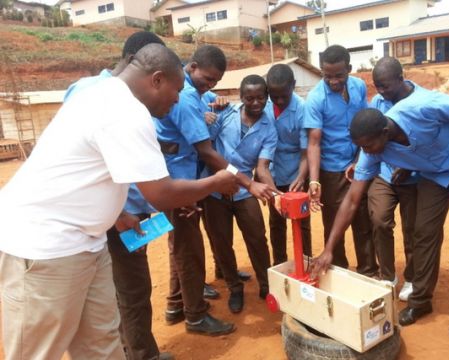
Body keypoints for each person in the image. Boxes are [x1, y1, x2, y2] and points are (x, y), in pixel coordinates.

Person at [0, 43, 238, 360]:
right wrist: (217, 182)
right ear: (156, 79)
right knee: (37, 351)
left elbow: (91, 172)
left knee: (101, 343)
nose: (178, 98)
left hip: (87, 243)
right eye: (176, 89)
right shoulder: (127, 112)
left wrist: (117, 214)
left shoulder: (99, 94)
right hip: (45, 249)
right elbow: (161, 192)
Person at [310, 88, 449, 328]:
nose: (366, 152)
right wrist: (329, 248)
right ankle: (421, 300)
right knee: (424, 233)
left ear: (385, 132)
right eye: (361, 147)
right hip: (435, 174)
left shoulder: (423, 107)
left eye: (369, 146)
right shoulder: (371, 152)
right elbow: (352, 200)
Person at [64, 31, 175, 360]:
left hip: (122, 215)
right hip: (112, 220)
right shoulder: (101, 95)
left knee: (119, 293)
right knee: (131, 291)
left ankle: (137, 351)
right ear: (145, 68)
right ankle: (143, 355)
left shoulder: (97, 93)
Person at [154, 45, 272, 332]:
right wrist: (244, 180)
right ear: (191, 67)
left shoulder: (199, 96)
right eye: (207, 79)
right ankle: (199, 309)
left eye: (216, 82)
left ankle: (176, 304)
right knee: (194, 248)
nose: (211, 86)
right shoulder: (189, 101)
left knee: (249, 236)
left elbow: (263, 162)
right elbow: (207, 150)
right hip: (195, 185)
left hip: (202, 184)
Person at [202, 75, 278, 314]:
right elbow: (208, 150)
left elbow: (262, 167)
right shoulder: (224, 113)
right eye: (249, 98)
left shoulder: (269, 128)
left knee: (257, 237)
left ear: (266, 97)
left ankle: (266, 285)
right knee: (221, 241)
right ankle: (234, 287)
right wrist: (208, 117)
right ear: (241, 97)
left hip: (245, 192)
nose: (255, 103)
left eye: (260, 98)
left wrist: (274, 193)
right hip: (216, 188)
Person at [304, 44, 376, 276]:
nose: (333, 81)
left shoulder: (359, 87)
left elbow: (364, 121)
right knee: (334, 222)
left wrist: (359, 159)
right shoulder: (315, 98)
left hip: (359, 164)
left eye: (338, 75)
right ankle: (339, 269)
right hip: (331, 170)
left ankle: (368, 270)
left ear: (349, 69)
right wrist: (314, 181)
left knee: (363, 220)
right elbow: (314, 142)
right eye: (327, 76)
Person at [367, 56, 418, 299]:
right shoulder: (378, 102)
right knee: (379, 219)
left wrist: (409, 166)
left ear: (401, 78)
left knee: (412, 229)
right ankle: (388, 275)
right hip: (385, 173)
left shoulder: (420, 102)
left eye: (386, 85)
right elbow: (369, 135)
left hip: (415, 177)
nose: (381, 91)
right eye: (377, 85)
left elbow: (427, 142)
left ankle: (413, 278)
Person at [265, 63, 312, 265]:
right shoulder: (263, 105)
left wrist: (301, 178)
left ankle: (305, 262)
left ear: (293, 85)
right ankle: (280, 264)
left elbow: (305, 152)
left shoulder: (302, 109)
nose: (280, 101)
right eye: (274, 96)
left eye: (284, 95)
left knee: (302, 222)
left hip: (296, 174)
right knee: (276, 222)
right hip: (271, 175)